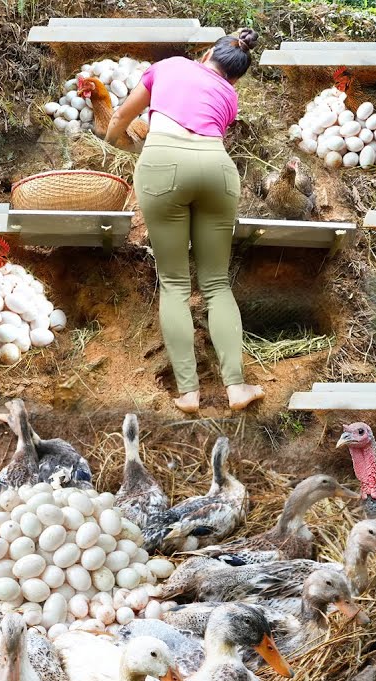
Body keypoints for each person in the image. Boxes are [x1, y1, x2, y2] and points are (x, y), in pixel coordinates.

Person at [105, 29, 266, 414]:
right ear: (235, 76)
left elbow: (123, 115)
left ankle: (190, 393)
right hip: (217, 170)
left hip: (162, 165)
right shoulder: (230, 96)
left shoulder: (170, 66)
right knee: (215, 284)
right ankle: (236, 387)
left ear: (208, 51)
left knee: (175, 284)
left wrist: (114, 138)